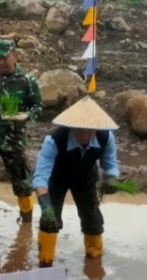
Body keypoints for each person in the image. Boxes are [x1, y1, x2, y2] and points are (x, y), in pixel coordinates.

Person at [32, 96, 121, 267]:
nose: (85, 136)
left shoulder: (106, 137)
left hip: (85, 177)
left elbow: (110, 165)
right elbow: (40, 176)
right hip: (56, 178)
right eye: (80, 131)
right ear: (71, 126)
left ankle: (94, 262)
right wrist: (45, 205)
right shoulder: (54, 139)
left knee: (93, 219)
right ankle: (45, 262)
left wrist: (111, 179)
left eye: (90, 131)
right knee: (49, 219)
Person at [0, 37, 43, 223]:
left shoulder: (26, 81)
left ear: (14, 56)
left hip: (14, 139)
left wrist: (28, 116)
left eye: (4, 57)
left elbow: (38, 107)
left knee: (22, 181)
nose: (1, 62)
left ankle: (26, 220)